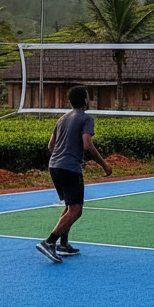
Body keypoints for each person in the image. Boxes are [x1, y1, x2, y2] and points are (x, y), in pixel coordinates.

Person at [36, 85, 112, 264]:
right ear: (85, 100)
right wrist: (104, 164)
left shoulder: (62, 118)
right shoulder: (86, 118)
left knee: (70, 205)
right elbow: (87, 144)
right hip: (69, 167)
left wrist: (61, 157)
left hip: (54, 165)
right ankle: (49, 242)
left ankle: (63, 244)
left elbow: (50, 146)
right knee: (76, 210)